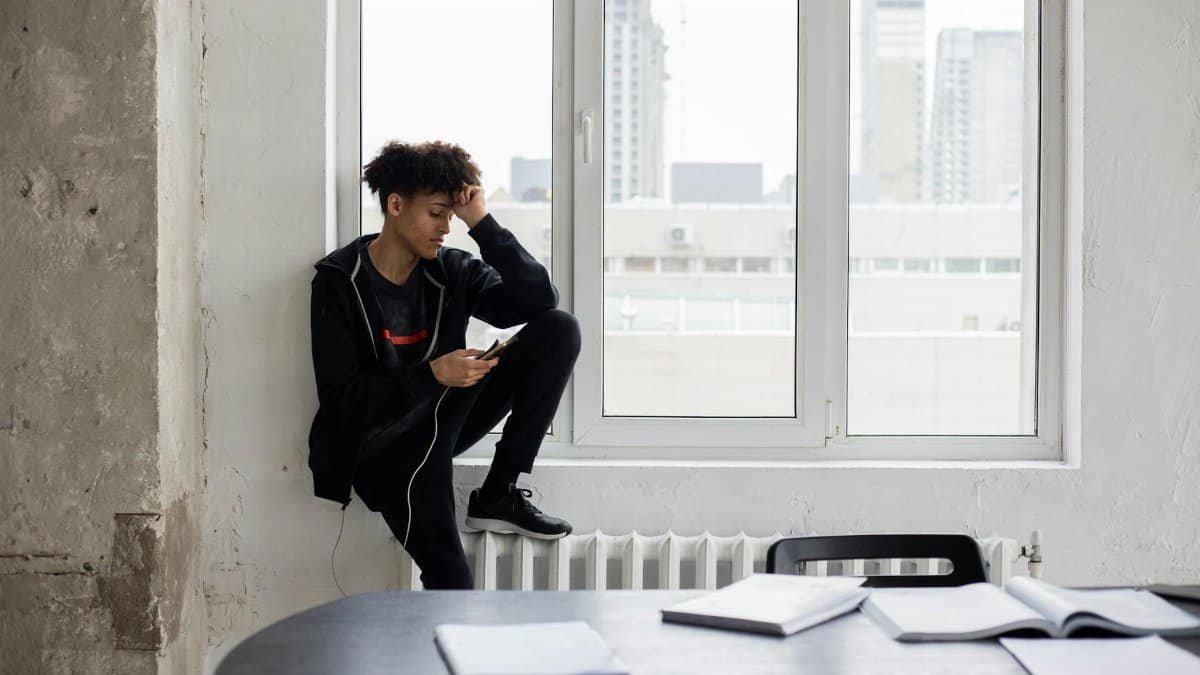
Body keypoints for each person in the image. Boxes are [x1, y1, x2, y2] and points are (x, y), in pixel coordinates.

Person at [308, 140, 579, 589]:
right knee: (453, 582)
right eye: (437, 213)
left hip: (445, 417)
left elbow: (538, 300)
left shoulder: (448, 269)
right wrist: (432, 374)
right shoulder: (340, 282)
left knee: (559, 328)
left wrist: (482, 221)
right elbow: (342, 402)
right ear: (395, 205)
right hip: (387, 449)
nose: (446, 228)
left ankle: (497, 494)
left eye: (452, 216)